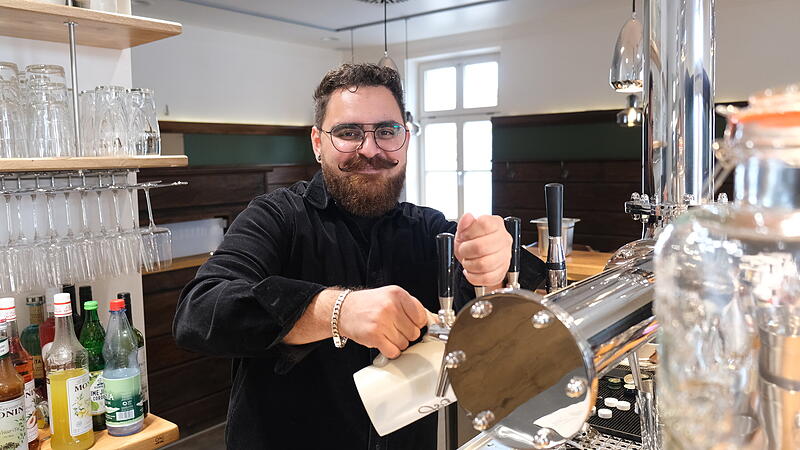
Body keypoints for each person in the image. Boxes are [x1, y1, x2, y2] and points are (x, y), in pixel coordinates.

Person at [173, 63, 546, 449]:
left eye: (386, 131)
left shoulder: (428, 229)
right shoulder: (277, 217)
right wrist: (335, 311)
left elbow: (503, 317)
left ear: (405, 139)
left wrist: (497, 265)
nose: (370, 150)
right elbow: (198, 312)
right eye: (349, 133)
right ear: (318, 143)